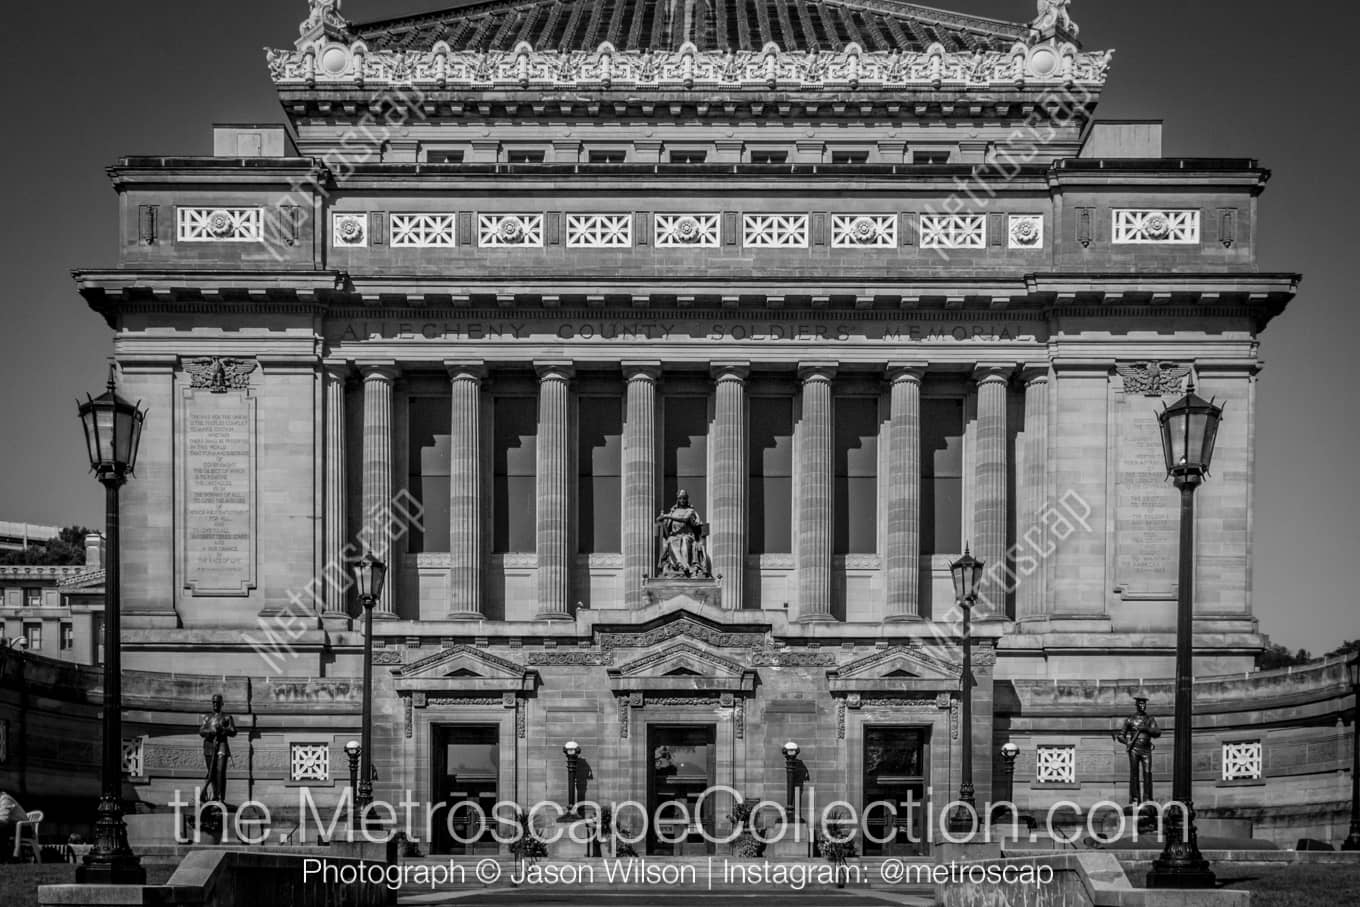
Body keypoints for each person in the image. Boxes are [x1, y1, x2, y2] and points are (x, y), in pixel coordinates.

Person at [1113, 695, 1161, 805]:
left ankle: (1148, 799)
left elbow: (1157, 732)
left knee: (1147, 773)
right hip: (1134, 749)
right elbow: (1121, 736)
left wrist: (1147, 729)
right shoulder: (1130, 719)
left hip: (1146, 749)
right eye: (1140, 704)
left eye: (1144, 704)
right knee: (1134, 774)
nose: (1143, 706)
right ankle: (1135, 799)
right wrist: (1127, 742)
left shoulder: (1150, 719)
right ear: (1136, 705)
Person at [655, 490, 711, 579]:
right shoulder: (673, 511)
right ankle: (681, 565)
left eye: (684, 498)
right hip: (674, 536)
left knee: (685, 541)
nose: (682, 500)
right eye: (680, 498)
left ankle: (686, 566)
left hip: (687, 535)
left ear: (687, 499)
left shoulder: (690, 510)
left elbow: (684, 519)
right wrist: (662, 522)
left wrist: (666, 516)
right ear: (678, 499)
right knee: (671, 541)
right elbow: (666, 530)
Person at [199, 694, 237, 804]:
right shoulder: (207, 717)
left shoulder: (226, 717)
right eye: (213, 702)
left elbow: (233, 731)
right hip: (209, 746)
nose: (215, 704)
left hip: (221, 746)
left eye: (217, 702)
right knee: (212, 773)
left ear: (222, 703)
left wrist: (223, 730)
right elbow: (201, 731)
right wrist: (210, 732)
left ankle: (220, 798)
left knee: (220, 772)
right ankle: (215, 795)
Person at [0, 790, 29, 861]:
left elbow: (3, 820)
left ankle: (4, 857)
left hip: (24, 829)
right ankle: (5, 857)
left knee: (3, 830)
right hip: (14, 827)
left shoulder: (5, 799)